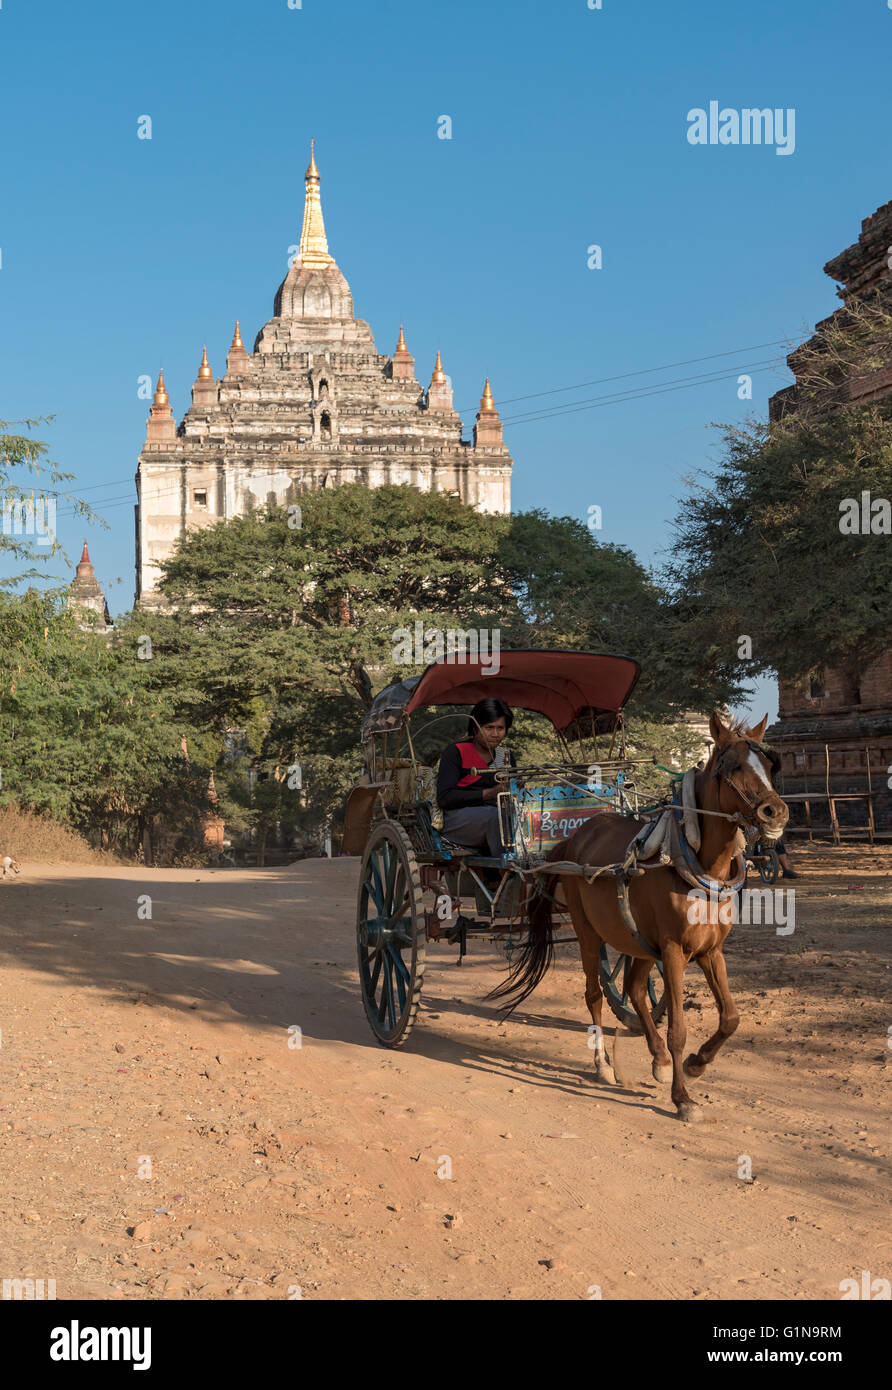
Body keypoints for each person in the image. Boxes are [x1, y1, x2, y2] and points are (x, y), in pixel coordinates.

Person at [436, 698, 514, 857]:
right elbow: (445, 798)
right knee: (496, 819)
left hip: (496, 814)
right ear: (475, 727)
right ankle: (508, 871)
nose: (495, 734)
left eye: (500, 728)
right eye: (489, 728)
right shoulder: (456, 752)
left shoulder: (506, 756)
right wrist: (489, 793)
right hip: (457, 820)